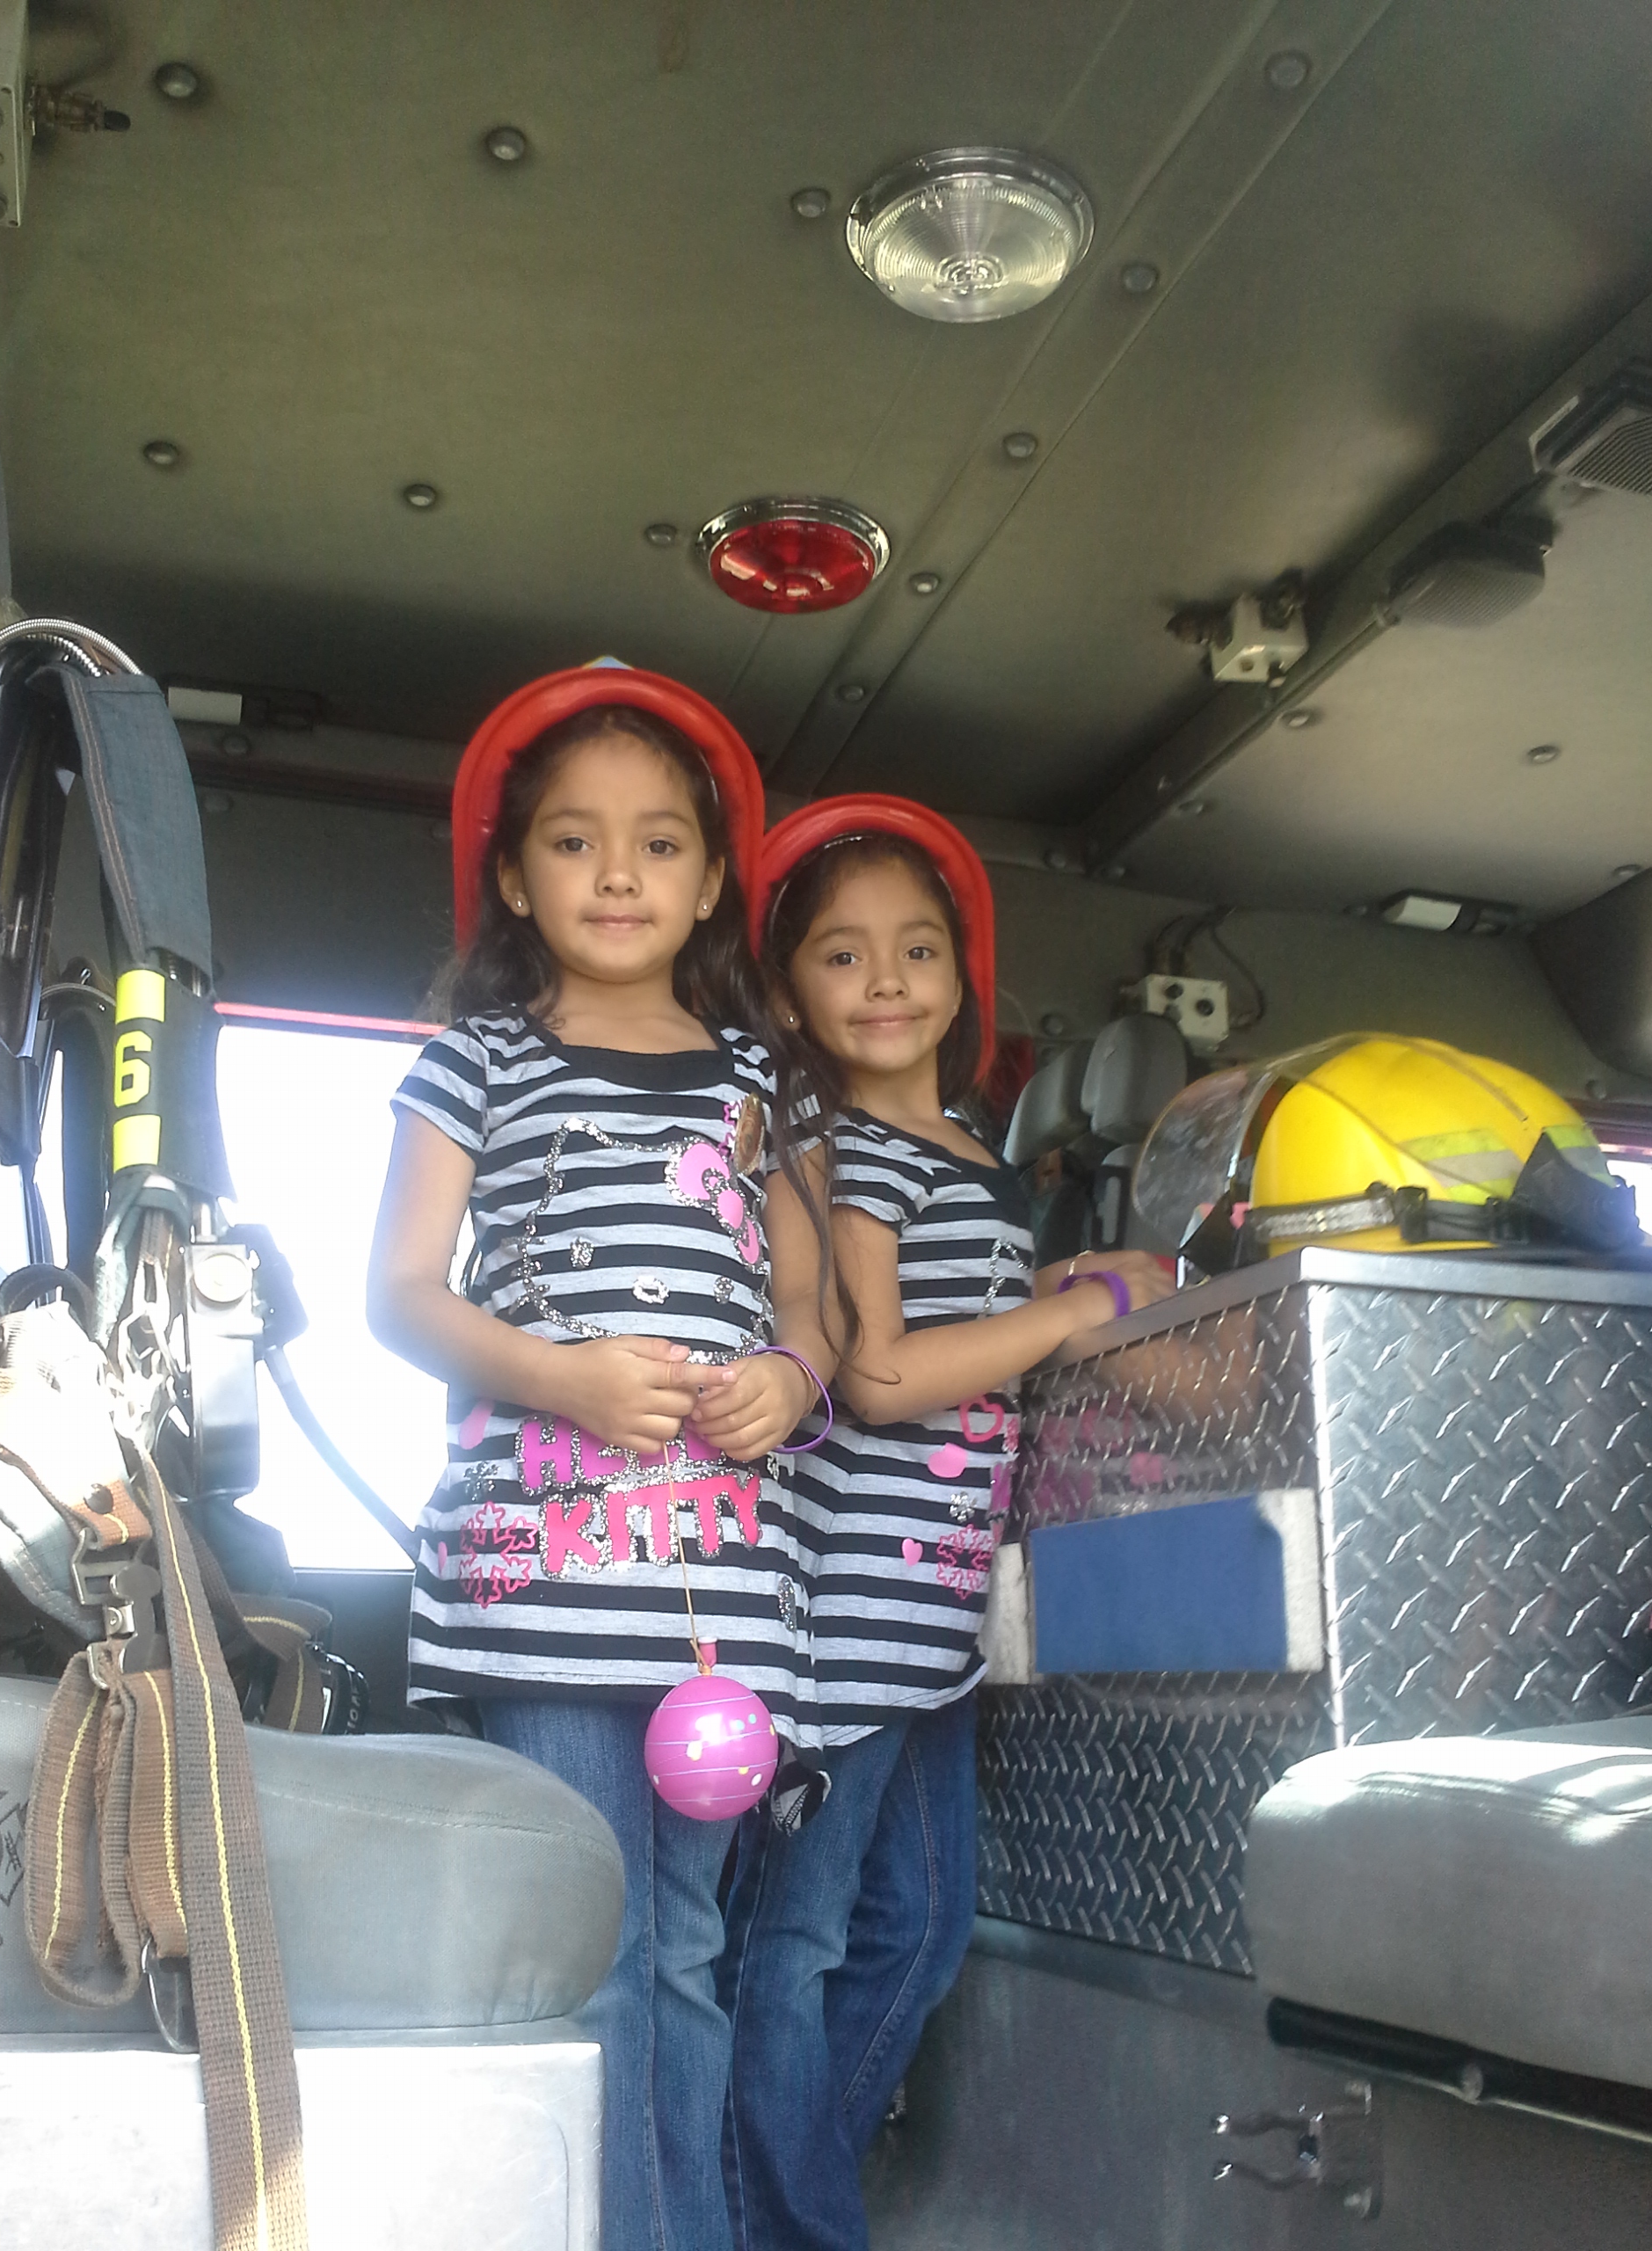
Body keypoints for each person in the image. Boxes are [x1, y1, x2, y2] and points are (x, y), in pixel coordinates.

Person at [368, 664, 833, 2251]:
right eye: (574, 842)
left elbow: (817, 1304)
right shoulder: (475, 1060)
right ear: (515, 873)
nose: (618, 873)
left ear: (709, 881)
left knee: (690, 1945)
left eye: (657, 845)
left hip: (718, 1610)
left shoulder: (760, 1081)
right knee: (596, 1947)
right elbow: (402, 1294)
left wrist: (791, 1374)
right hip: (543, 1592)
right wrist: (561, 1375)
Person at [719, 796, 1173, 2251]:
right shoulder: (844, 1149)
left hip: (936, 1628)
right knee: (790, 1946)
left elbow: (980, 1333)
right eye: (842, 957)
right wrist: (1078, 1307)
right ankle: (789, 2223)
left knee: (920, 1930)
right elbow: (887, 1372)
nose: (887, 979)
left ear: (963, 977)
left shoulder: (970, 1151)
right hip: (843, 1616)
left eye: (917, 949)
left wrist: (1067, 1285)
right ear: (790, 990)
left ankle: (800, 2192)